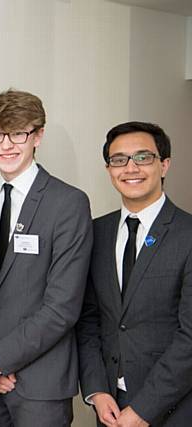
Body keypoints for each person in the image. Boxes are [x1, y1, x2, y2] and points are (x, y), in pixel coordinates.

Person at [0, 89, 93, 426]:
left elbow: (62, 307)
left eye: (18, 133)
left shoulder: (68, 203)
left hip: (40, 385)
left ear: (38, 135)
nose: (6, 145)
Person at [77, 121, 192, 426]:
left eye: (143, 157)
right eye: (119, 160)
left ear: (164, 165)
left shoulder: (188, 235)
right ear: (109, 170)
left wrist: (144, 409)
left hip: (174, 406)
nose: (131, 168)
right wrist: (97, 390)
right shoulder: (96, 232)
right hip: (111, 406)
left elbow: (190, 337)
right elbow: (88, 318)